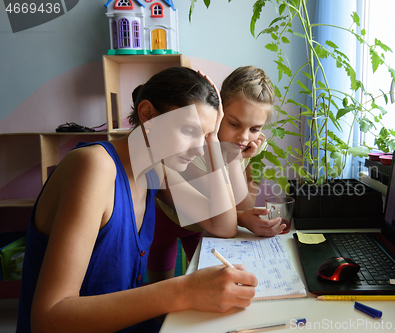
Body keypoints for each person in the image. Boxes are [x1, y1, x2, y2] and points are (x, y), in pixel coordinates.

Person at [16, 67, 257, 333]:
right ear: (147, 114)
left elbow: (223, 226)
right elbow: (48, 318)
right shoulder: (94, 166)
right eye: (189, 130)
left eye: (205, 135)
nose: (198, 147)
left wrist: (213, 139)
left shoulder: (155, 168)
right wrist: (183, 290)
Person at [148, 66, 284, 283]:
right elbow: (219, 206)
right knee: (161, 273)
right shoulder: (193, 148)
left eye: (255, 129)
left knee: (203, 273)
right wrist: (228, 158)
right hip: (168, 216)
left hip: (205, 223)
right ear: (219, 113)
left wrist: (235, 159)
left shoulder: (248, 146)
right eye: (233, 124)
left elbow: (243, 206)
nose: (243, 136)